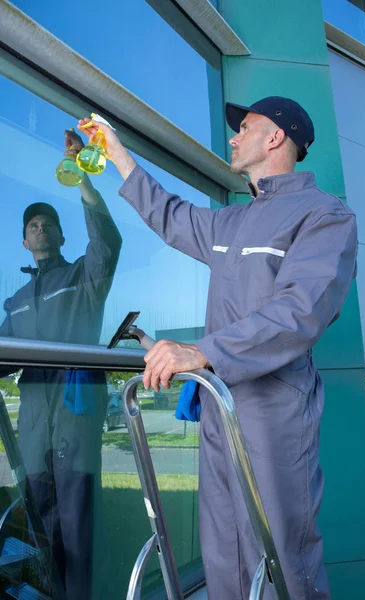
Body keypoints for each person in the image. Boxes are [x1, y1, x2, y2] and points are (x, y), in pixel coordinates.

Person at [79, 96, 357, 600]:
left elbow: (301, 312)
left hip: (275, 414)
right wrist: (117, 153)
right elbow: (169, 216)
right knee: (223, 555)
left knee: (281, 561)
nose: (233, 137)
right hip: (220, 408)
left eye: (244, 127)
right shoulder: (231, 221)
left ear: (275, 137)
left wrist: (201, 352)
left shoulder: (325, 216)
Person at [0, 129, 122, 599]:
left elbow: (107, 244)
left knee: (78, 521)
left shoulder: (81, 279)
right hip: (33, 422)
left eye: (48, 221)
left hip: (75, 413)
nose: (40, 226)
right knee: (40, 519)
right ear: (24, 241)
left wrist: (83, 185)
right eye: (32, 224)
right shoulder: (15, 303)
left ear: (61, 232)